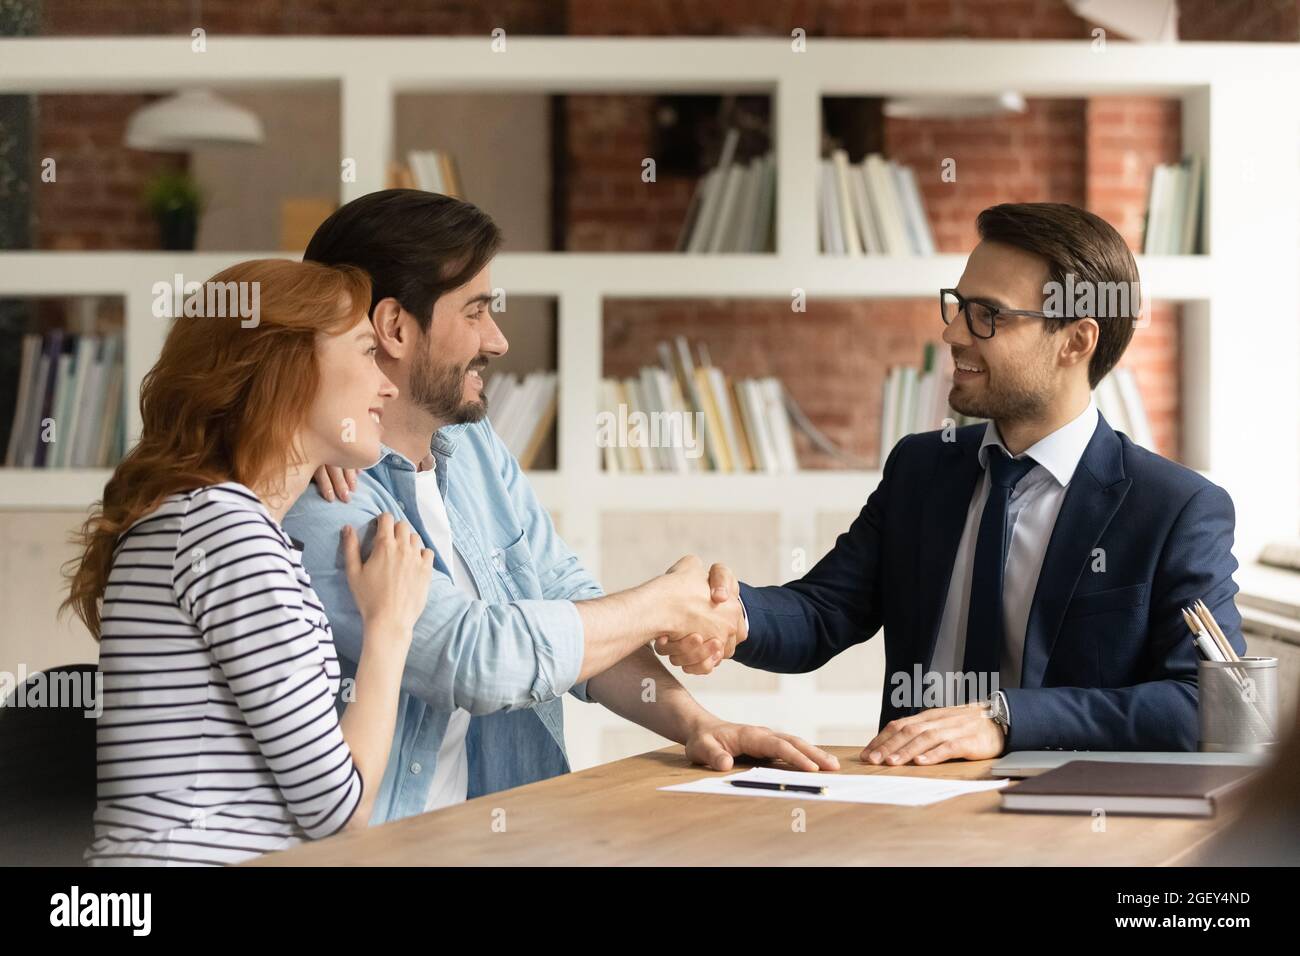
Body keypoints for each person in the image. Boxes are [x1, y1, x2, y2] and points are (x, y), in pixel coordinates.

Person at [285, 189, 837, 824]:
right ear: (395, 327)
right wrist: (663, 601)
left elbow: (565, 601)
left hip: (515, 832)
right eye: (475, 312)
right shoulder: (322, 490)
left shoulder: (473, 446)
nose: (497, 340)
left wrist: (696, 724)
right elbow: (477, 659)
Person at [670, 202, 1245, 764]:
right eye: (957, 305)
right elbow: (825, 611)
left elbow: (1205, 703)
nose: (952, 332)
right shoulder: (922, 469)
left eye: (986, 315)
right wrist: (733, 616)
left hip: (1071, 824)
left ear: (1075, 340)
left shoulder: (1175, 509)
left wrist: (1006, 720)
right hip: (909, 803)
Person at [65, 259, 433, 864]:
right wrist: (391, 625)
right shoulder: (225, 530)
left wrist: (311, 445)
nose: (388, 384)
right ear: (288, 367)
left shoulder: (211, 520)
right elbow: (338, 809)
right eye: (367, 353)